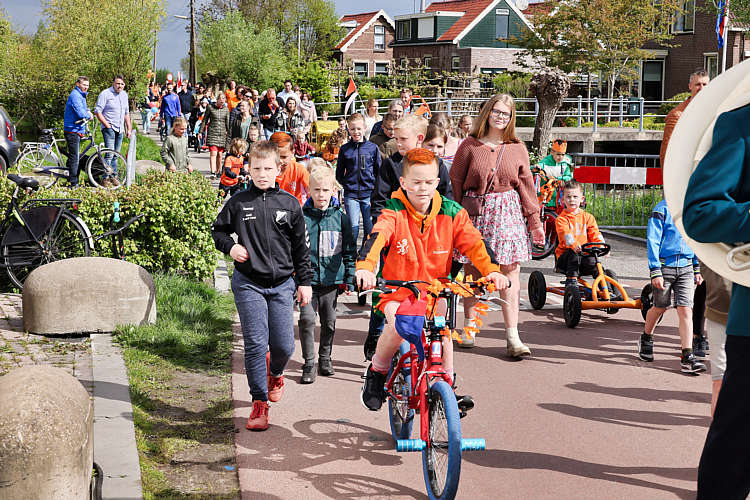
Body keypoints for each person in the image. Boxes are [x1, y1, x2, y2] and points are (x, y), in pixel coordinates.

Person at [356, 148, 509, 411]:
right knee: (398, 325)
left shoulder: (451, 212)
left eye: (428, 182)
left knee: (443, 333)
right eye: (416, 182)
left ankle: (445, 387)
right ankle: (377, 371)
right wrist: (365, 268)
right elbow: (377, 237)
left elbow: (474, 242)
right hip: (398, 290)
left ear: (437, 182)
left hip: (436, 291)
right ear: (403, 183)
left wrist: (492, 270)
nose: (423, 188)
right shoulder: (393, 211)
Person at [212, 140, 313, 431]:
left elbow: (301, 248)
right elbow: (218, 231)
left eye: (268, 168)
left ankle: (276, 373)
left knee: (284, 346)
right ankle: (259, 402)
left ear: (279, 169)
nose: (262, 174)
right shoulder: (239, 201)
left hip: (282, 284)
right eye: (256, 168)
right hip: (248, 283)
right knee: (256, 343)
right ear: (249, 169)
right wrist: (231, 247)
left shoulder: (290, 204)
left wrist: (304, 282)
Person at [450, 94, 544, 354]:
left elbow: (527, 186)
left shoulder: (517, 147)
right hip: (475, 213)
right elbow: (455, 182)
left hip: (508, 213)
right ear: (487, 113)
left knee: (510, 272)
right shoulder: (469, 145)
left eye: (506, 113)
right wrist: (454, 220)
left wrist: (534, 222)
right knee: (473, 272)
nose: (501, 117)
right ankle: (469, 329)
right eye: (497, 111)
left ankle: (513, 337)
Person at [365, 114, 454, 361]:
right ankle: (375, 332)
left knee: (430, 291)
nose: (397, 142)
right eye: (395, 138)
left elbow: (448, 201)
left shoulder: (436, 166)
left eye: (402, 138)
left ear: (419, 138)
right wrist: (385, 230)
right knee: (388, 287)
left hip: (428, 239)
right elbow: (379, 200)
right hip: (397, 237)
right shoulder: (390, 164)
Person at [660, 68, 712, 358]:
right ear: (689, 87)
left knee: (705, 267)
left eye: (706, 84)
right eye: (698, 85)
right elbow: (667, 159)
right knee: (692, 265)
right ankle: (692, 331)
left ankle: (698, 331)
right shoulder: (676, 116)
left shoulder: (717, 113)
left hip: (710, 193)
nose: (702, 89)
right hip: (686, 196)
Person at [297, 166, 356, 383]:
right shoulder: (301, 217)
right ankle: (308, 363)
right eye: (316, 190)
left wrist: (349, 277)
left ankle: (325, 358)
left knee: (329, 322)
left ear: (334, 190)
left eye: (325, 190)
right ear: (309, 190)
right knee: (306, 319)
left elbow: (349, 250)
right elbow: (294, 249)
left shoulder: (341, 218)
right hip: (307, 281)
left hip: (331, 281)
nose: (321, 195)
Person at [640, 199, 706, 372]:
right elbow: (653, 241)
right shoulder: (661, 210)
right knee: (660, 307)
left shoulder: (692, 209)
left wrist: (696, 267)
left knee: (686, 309)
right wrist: (655, 270)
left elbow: (694, 239)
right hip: (664, 267)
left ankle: (687, 356)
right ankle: (646, 338)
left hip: (686, 268)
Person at [335, 113, 382, 243]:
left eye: (359, 128)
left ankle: (364, 253)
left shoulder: (372, 148)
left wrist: (375, 191)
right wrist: (346, 185)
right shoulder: (345, 149)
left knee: (369, 228)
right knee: (353, 229)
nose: (356, 132)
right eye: (353, 129)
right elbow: (339, 172)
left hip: (368, 194)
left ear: (365, 127)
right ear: (348, 129)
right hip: (351, 194)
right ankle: (351, 254)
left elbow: (378, 171)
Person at [554, 180, 604, 282]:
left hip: (584, 255)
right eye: (568, 197)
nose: (572, 200)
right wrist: (574, 245)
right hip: (565, 258)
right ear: (563, 200)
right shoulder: (561, 219)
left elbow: (595, 233)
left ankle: (606, 286)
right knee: (574, 254)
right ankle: (571, 280)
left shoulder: (588, 217)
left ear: (581, 199)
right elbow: (565, 234)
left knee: (595, 262)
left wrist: (601, 244)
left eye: (575, 197)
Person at [94, 74, 132, 187]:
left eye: (122, 84)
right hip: (109, 127)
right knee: (109, 154)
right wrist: (106, 125)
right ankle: (105, 178)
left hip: (120, 128)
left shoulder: (124, 95)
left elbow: (126, 113)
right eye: (118, 83)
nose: (120, 86)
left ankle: (113, 176)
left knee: (116, 154)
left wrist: (129, 128)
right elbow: (97, 111)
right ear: (113, 83)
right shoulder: (105, 94)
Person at [63, 76, 94, 188]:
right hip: (72, 129)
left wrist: (88, 111)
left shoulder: (81, 95)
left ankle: (70, 177)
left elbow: (83, 108)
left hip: (77, 129)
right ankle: (73, 183)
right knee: (75, 157)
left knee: (74, 156)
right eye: (84, 85)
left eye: (87, 85)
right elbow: (80, 112)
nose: (86, 87)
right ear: (78, 84)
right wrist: (88, 116)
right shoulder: (75, 95)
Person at [269, 132, 309, 205]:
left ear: (292, 153)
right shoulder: (265, 171)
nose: (280, 161)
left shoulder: (299, 170)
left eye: (284, 157)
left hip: (294, 209)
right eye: (276, 157)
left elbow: (311, 192)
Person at [534, 139, 574, 210]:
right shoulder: (545, 162)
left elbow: (568, 177)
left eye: (563, 154)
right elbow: (538, 166)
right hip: (546, 192)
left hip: (559, 192)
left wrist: (559, 179)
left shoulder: (564, 164)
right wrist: (537, 167)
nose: (560, 157)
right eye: (558, 154)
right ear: (552, 152)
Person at [200, 92, 231, 177]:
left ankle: (218, 171)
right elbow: (205, 120)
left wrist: (229, 134)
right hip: (212, 133)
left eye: (223, 101)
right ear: (217, 100)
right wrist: (200, 131)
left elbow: (228, 123)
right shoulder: (210, 107)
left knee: (220, 154)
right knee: (213, 153)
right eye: (220, 100)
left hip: (222, 134)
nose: (222, 102)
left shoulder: (226, 110)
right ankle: (213, 172)